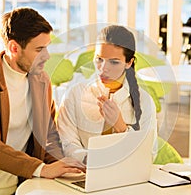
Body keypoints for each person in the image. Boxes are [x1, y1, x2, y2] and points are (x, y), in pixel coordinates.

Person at [0, 7, 84, 195]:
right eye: (39, 49)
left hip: (25, 186)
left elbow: (48, 138)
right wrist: (40, 168)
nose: (46, 56)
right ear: (14, 48)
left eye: (46, 47)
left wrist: (67, 166)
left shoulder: (41, 80)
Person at [57, 25, 157, 163]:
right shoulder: (74, 94)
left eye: (114, 62)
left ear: (129, 62)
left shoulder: (144, 101)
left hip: (127, 178)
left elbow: (149, 155)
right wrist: (91, 160)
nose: (104, 68)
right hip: (84, 175)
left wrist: (121, 126)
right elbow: (67, 143)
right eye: (99, 59)